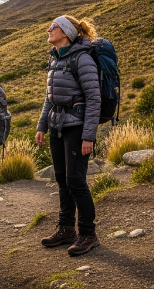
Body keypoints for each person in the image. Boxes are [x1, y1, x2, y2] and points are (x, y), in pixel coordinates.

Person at [35, 15, 101, 256]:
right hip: (57, 126)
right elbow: (49, 98)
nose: (48, 29)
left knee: (75, 180)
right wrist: (42, 126)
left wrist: (88, 136)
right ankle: (66, 228)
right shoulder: (55, 57)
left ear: (65, 32)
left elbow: (94, 98)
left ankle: (88, 234)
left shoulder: (82, 58)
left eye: (53, 26)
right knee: (62, 178)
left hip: (76, 127)